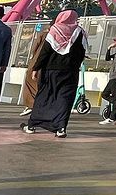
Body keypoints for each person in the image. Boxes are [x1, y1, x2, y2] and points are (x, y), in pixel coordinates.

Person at [20, 9, 87, 138]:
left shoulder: (55, 30)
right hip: (70, 72)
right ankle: (61, 128)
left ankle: (33, 124)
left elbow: (45, 51)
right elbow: (81, 53)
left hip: (51, 70)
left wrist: (36, 68)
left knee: (44, 96)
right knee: (64, 99)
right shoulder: (80, 33)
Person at [20, 26, 50, 117]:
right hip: (50, 64)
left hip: (37, 61)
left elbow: (35, 48)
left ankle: (30, 105)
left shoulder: (44, 34)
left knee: (30, 81)